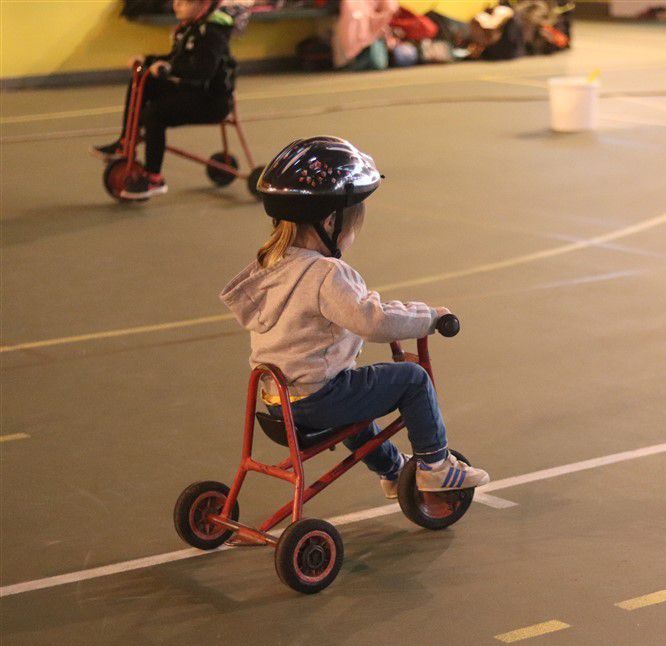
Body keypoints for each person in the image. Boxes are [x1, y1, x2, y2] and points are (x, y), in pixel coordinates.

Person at [220, 136, 490, 498]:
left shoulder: (271, 267)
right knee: (411, 379)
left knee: (351, 397)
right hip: (316, 403)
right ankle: (434, 466)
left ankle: (394, 471)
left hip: (276, 404)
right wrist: (428, 317)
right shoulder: (325, 275)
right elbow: (372, 321)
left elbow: (362, 313)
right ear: (330, 221)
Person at [92, 0, 236, 200]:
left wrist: (170, 70)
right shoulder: (188, 28)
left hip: (213, 101)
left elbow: (203, 70)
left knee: (155, 114)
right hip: (193, 91)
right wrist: (148, 60)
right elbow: (176, 59)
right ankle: (125, 141)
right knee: (144, 83)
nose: (177, 4)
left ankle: (154, 178)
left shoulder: (212, 32)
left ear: (204, 5)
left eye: (185, 2)